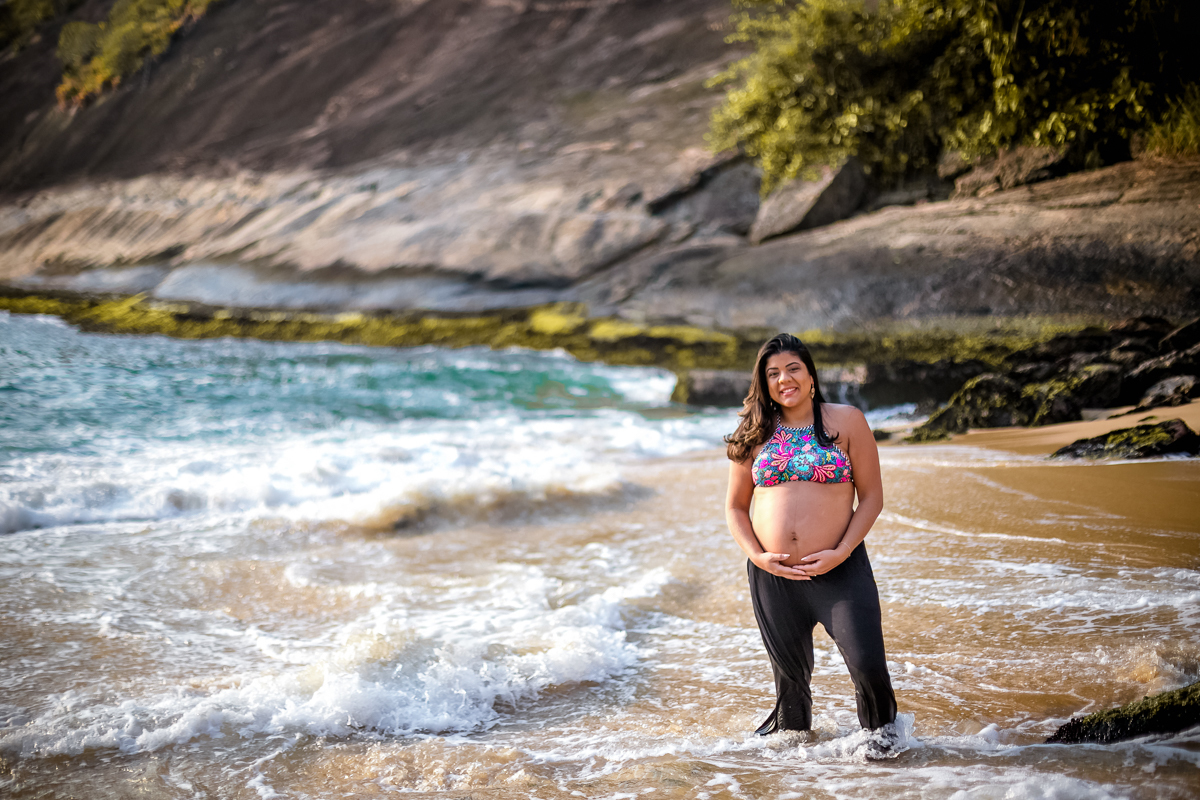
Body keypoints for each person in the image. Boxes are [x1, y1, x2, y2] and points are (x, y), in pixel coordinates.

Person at [724, 333, 897, 738]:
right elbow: (735, 507)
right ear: (764, 384)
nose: (784, 379)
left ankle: (889, 757)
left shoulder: (847, 420)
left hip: (840, 570)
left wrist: (842, 551)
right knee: (790, 688)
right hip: (774, 576)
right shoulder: (753, 431)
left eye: (793, 368)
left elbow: (872, 498)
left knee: (869, 666)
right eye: (772, 373)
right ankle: (798, 776)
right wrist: (758, 556)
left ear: (811, 375)